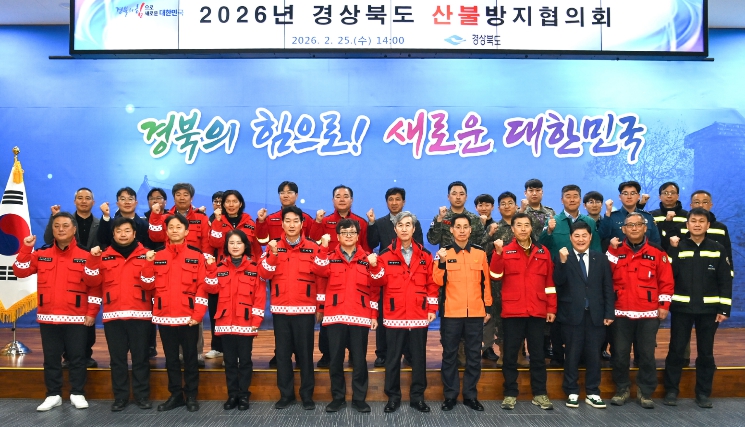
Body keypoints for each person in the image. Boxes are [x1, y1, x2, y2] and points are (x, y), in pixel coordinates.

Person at [14, 212, 100, 412]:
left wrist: (91, 312)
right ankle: (53, 395)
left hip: (77, 317)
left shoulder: (86, 255)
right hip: (48, 317)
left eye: (65, 225)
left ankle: (77, 393)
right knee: (51, 358)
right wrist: (26, 248)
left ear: (74, 229)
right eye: (57, 226)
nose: (61, 229)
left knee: (77, 357)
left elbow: (95, 286)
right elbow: (20, 270)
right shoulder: (41, 254)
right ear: (52, 229)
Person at [140, 215, 212, 412]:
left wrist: (197, 315)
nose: (174, 230)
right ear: (166, 231)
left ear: (186, 231)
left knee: (190, 358)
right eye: (170, 227)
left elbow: (202, 288)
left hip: (189, 317)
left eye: (178, 227)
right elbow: (147, 285)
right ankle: (175, 395)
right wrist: (148, 264)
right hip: (164, 316)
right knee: (171, 359)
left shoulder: (197, 256)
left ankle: (191, 396)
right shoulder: (157, 255)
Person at [258, 206, 327, 411]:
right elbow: (264, 273)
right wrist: (272, 255)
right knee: (282, 355)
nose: (291, 225)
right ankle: (286, 395)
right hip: (281, 311)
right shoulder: (273, 247)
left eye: (295, 221)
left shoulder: (313, 248)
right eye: (287, 221)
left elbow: (321, 277)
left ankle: (307, 395)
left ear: (302, 224)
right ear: (282, 224)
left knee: (305, 355)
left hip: (305, 311)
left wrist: (320, 307)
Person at [663, 208, 732, 408]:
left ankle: (703, 393)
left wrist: (724, 308)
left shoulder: (718, 248)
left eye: (702, 221)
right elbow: (668, 275)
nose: (697, 224)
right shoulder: (678, 246)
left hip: (709, 310)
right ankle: (671, 391)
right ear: (687, 224)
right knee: (676, 350)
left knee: (706, 353)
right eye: (693, 221)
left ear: (708, 225)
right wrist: (672, 250)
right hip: (682, 309)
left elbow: (725, 280)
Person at [369, 211, 438, 413]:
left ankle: (418, 397)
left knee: (419, 359)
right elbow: (377, 283)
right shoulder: (384, 255)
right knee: (392, 359)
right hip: (394, 315)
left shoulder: (426, 255)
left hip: (418, 314)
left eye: (408, 225)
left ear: (414, 229)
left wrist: (432, 308)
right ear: (395, 229)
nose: (405, 228)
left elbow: (432, 284)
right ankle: (393, 397)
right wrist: (374, 268)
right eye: (401, 225)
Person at [84, 217, 153, 411]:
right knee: (117, 360)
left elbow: (153, 286)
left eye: (127, 230)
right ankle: (120, 397)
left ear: (134, 233)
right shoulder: (102, 256)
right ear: (113, 234)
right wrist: (93, 260)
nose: (123, 234)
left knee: (141, 358)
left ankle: (141, 396)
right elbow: (92, 283)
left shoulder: (148, 255)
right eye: (118, 231)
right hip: (113, 316)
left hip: (141, 316)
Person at [606, 212, 674, 409]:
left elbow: (666, 282)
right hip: (621, 312)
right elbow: (605, 279)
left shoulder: (657, 252)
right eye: (630, 225)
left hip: (648, 313)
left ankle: (645, 392)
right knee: (619, 354)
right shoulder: (615, 251)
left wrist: (664, 306)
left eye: (638, 225)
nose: (634, 228)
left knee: (646, 355)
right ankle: (622, 389)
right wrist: (611, 250)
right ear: (624, 229)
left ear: (645, 228)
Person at [490, 213, 556, 411]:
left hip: (537, 310)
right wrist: (498, 254)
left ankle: (540, 393)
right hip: (513, 311)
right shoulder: (505, 250)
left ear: (531, 228)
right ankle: (510, 393)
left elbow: (549, 283)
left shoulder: (543, 251)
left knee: (538, 355)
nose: (523, 229)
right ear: (512, 229)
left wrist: (551, 307)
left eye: (526, 225)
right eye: (519, 225)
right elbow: (495, 275)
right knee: (510, 355)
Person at [314, 219, 377, 413]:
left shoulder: (368, 259)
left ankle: (359, 399)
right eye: (344, 232)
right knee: (335, 360)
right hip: (335, 316)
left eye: (352, 232)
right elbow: (318, 271)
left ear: (358, 236)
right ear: (338, 236)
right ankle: (338, 398)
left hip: (360, 316)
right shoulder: (328, 257)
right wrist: (323, 247)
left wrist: (374, 314)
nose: (348, 235)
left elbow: (375, 289)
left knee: (359, 361)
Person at [433, 213, 492, 412]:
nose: (462, 230)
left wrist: (487, 306)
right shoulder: (444, 252)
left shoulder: (479, 253)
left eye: (465, 227)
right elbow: (437, 280)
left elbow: (486, 282)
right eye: (458, 227)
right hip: (452, 312)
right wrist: (442, 262)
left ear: (470, 229)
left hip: (475, 312)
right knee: (449, 355)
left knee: (474, 355)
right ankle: (450, 396)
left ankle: (470, 395)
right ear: (451, 230)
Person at [148, 183, 211, 367]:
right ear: (173, 197)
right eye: (178, 194)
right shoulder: (165, 217)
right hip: (170, 264)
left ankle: (196, 353)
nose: (182, 197)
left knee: (194, 315)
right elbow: (155, 237)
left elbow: (206, 243)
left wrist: (206, 262)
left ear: (191, 197)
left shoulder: (200, 217)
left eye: (185, 194)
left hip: (194, 266)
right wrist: (155, 216)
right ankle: (177, 356)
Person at [553, 221, 615, 409]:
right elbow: (558, 283)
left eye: (584, 236)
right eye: (577, 236)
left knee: (594, 355)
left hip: (596, 315)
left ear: (590, 237)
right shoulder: (563, 257)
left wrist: (609, 312)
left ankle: (593, 392)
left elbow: (607, 287)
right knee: (571, 355)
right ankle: (571, 391)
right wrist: (562, 263)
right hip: (571, 315)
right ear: (570, 238)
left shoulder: (600, 258)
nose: (580, 240)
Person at [539, 184, 601, 367]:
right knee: (558, 317)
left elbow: (596, 249)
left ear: (580, 200)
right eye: (568, 196)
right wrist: (548, 231)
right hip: (559, 276)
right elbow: (542, 247)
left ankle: (581, 355)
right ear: (561, 200)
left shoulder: (589, 222)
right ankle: (558, 355)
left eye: (575, 196)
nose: (572, 199)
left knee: (582, 316)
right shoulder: (553, 221)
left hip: (583, 277)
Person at [203, 229, 266, 411]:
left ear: (245, 245)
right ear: (226, 246)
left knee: (245, 361)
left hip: (246, 323)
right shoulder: (219, 268)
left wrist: (256, 320)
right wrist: (210, 268)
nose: (235, 246)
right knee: (229, 362)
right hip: (225, 323)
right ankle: (232, 395)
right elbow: (211, 288)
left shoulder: (254, 268)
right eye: (231, 243)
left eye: (239, 243)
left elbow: (259, 296)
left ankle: (244, 395)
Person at [255, 181, 314, 368]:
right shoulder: (271, 218)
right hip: (278, 271)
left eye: (289, 192)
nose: (286, 195)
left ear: (296, 195)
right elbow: (261, 240)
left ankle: (301, 360)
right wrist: (261, 222)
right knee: (283, 338)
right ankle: (280, 354)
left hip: (302, 282)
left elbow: (313, 242)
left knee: (304, 345)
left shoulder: (307, 219)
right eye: (282, 192)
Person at [310, 185, 370, 367]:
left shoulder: (361, 222)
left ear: (352, 200)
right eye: (338, 196)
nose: (342, 199)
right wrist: (318, 222)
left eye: (346, 196)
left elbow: (366, 248)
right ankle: (327, 355)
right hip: (330, 275)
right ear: (332, 200)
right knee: (330, 323)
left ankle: (354, 354)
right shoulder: (325, 221)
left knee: (354, 325)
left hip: (354, 272)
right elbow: (313, 241)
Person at [366, 187, 423, 368]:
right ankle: (382, 354)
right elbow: (372, 243)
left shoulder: (414, 222)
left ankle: (409, 353)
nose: (394, 202)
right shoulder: (380, 222)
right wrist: (371, 224)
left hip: (408, 274)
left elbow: (419, 246)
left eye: (398, 199)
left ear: (403, 202)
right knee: (385, 315)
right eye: (391, 199)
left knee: (408, 316)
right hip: (388, 274)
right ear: (386, 202)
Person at [44, 188, 100, 368]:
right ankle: (68, 356)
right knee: (67, 320)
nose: (83, 201)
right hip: (68, 269)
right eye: (80, 198)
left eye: (87, 198)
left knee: (87, 318)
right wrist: (54, 218)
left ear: (93, 202)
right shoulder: (64, 220)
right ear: (74, 201)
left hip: (91, 268)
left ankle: (86, 354)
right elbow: (48, 239)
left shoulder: (99, 223)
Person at [207, 190, 265, 360]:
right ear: (223, 204)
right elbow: (214, 242)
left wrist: (256, 266)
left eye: (235, 201)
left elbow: (255, 246)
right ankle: (217, 347)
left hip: (245, 270)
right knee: (218, 309)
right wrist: (217, 222)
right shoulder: (216, 220)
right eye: (227, 201)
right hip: (223, 270)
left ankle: (239, 352)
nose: (231, 205)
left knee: (241, 307)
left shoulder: (249, 222)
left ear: (240, 203)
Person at [482, 191, 519, 366]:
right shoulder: (495, 228)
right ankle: (504, 354)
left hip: (519, 279)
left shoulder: (523, 225)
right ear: (498, 208)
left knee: (519, 318)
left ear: (516, 206)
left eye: (510, 203)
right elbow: (482, 251)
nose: (507, 206)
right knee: (500, 319)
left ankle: (519, 353)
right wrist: (489, 235)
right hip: (499, 282)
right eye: (503, 204)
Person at [426, 181, 487, 249]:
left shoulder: (475, 219)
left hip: (469, 255)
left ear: (466, 197)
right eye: (454, 194)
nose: (458, 197)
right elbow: (433, 241)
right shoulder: (440, 217)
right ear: (448, 197)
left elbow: (481, 245)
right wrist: (440, 219)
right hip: (446, 255)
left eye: (461, 194)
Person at [599, 181, 661, 245]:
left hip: (645, 251)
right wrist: (608, 213)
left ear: (638, 196)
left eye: (633, 193)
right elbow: (602, 236)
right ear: (620, 197)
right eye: (625, 193)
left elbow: (656, 241)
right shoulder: (612, 217)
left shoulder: (648, 216)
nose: (629, 197)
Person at [144, 187, 167, 358]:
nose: (155, 201)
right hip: (148, 265)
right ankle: (149, 346)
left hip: (167, 265)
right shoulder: (142, 219)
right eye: (152, 198)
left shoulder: (171, 218)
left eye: (159, 198)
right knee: (149, 308)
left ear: (165, 201)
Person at [649, 182, 688, 251]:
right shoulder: (652, 215)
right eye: (665, 193)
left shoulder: (687, 216)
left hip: (682, 253)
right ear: (659, 197)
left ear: (678, 196)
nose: (669, 196)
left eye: (672, 193)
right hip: (657, 252)